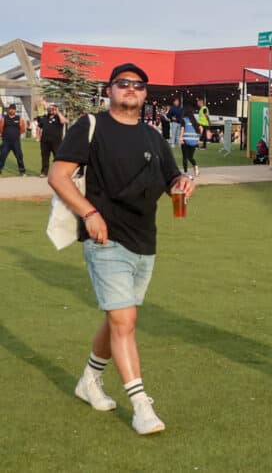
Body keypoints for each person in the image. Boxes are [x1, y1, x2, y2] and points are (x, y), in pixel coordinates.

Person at [48, 62, 196, 436]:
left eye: (138, 85)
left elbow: (169, 178)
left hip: (145, 240)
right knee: (125, 321)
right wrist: (89, 213)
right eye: (123, 83)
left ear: (145, 94)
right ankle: (141, 405)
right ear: (110, 90)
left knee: (118, 319)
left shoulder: (152, 136)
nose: (131, 88)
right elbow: (58, 175)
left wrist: (181, 182)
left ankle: (89, 380)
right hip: (104, 238)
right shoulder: (90, 126)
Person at [36, 102, 67, 177]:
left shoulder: (58, 117)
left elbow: (64, 121)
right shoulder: (44, 118)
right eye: (50, 108)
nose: (51, 110)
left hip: (56, 142)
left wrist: (58, 112)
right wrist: (38, 136)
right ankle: (44, 172)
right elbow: (39, 127)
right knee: (45, 157)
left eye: (53, 108)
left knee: (57, 157)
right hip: (45, 141)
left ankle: (58, 173)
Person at [0, 102, 28, 176]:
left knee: (19, 156)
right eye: (10, 109)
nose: (12, 111)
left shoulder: (19, 118)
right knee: (2, 155)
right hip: (6, 141)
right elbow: (1, 128)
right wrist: (6, 135)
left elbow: (22, 129)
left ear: (15, 110)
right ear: (8, 110)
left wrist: (15, 134)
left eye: (13, 109)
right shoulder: (4, 118)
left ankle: (22, 171)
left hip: (16, 141)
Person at [180, 106, 202, 176]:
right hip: (194, 141)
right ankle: (195, 166)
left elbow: (182, 129)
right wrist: (198, 137)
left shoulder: (184, 120)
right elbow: (201, 128)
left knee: (185, 157)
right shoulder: (195, 121)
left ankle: (185, 172)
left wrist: (181, 138)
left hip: (186, 141)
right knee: (190, 157)